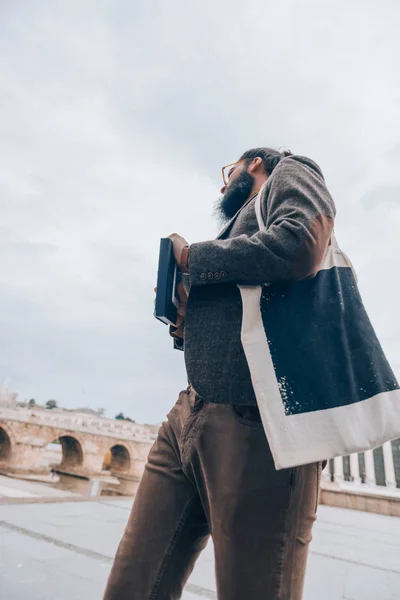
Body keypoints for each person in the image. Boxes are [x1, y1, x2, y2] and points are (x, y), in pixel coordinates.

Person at [103, 148, 335, 600]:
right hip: (189, 414)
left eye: (226, 174)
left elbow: (301, 242)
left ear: (253, 163)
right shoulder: (242, 231)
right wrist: (189, 311)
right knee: (131, 586)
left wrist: (190, 258)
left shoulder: (291, 170)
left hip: (257, 424)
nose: (222, 185)